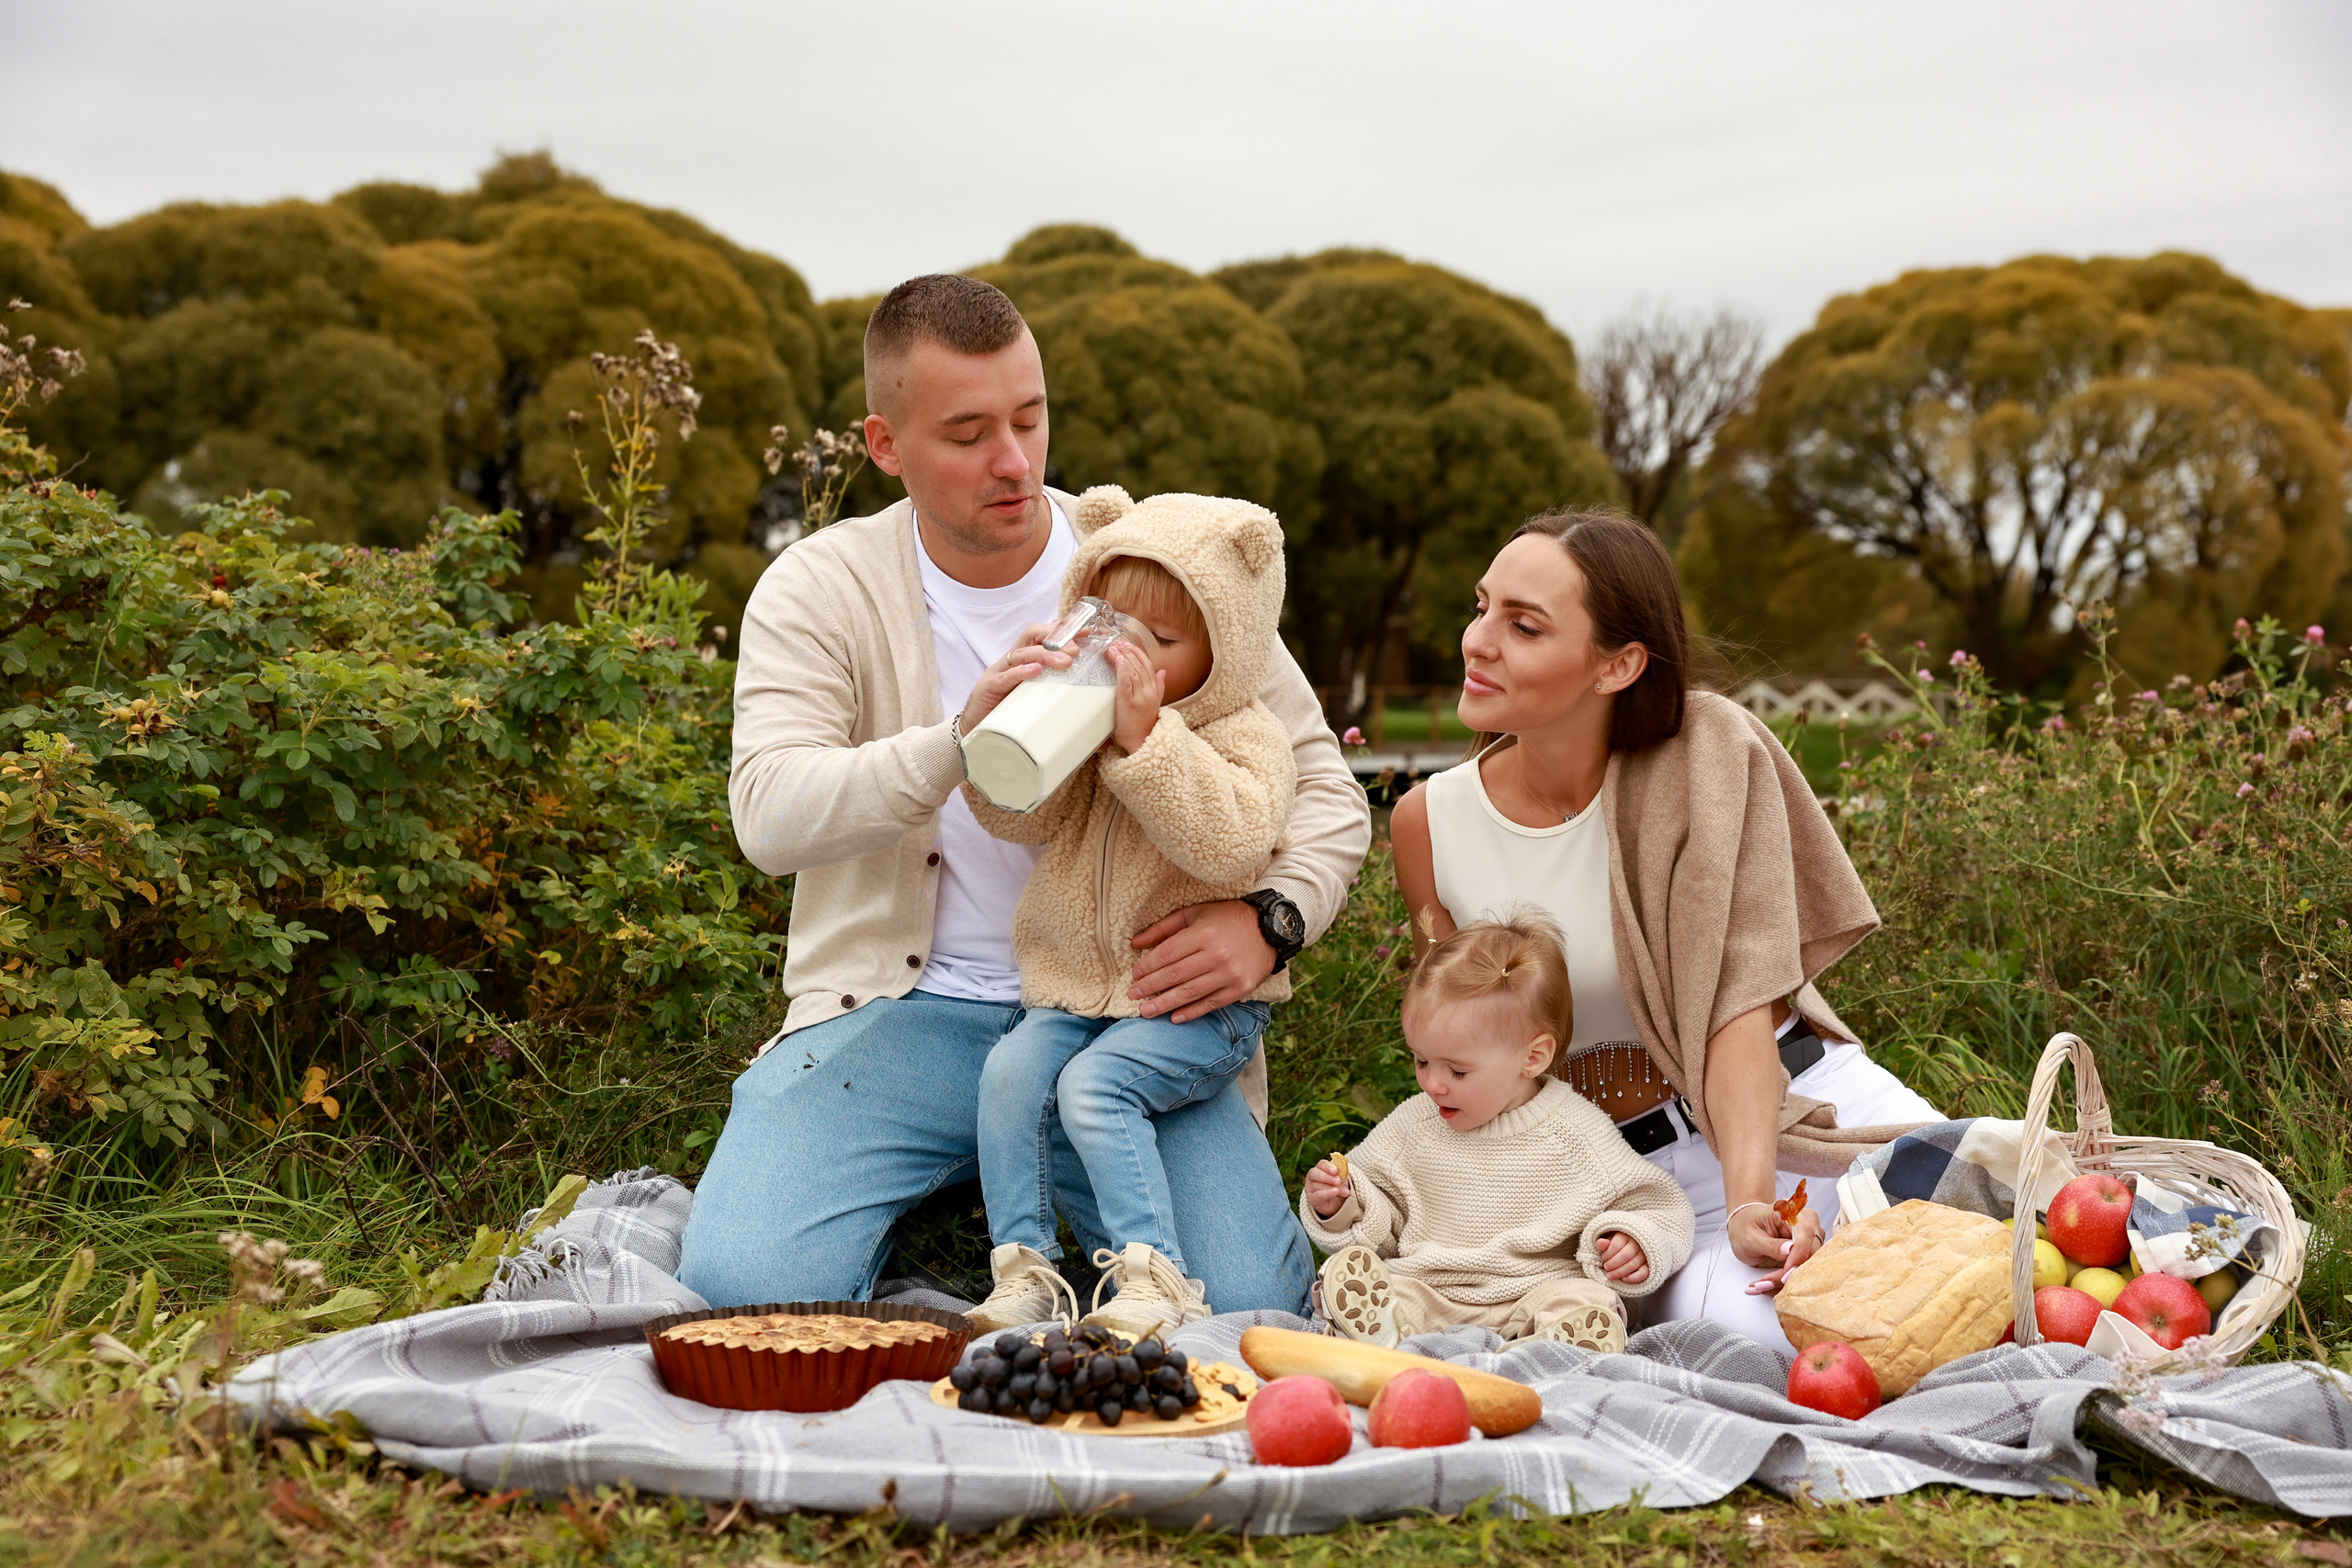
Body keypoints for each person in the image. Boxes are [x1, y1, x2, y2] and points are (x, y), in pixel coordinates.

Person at [678, 275, 1369, 1316]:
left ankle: (1031, 1230)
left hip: (1126, 1017)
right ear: (884, 443)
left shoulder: (1153, 565)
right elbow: (768, 815)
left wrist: (1272, 922)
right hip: (904, 1009)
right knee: (740, 1294)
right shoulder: (819, 584)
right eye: (965, 434)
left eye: (1029, 419)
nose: (1012, 460)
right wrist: (957, 745)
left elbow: (1324, 788)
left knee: (1246, 1310)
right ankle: (983, 1238)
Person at [1388, 508, 1939, 1354]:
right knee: (1751, 1339)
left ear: (1618, 663)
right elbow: (1462, 1044)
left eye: (1523, 624)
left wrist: (1758, 1196)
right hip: (1627, 1186)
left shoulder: (1708, 757)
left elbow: (1737, 1009)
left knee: (2016, 1216)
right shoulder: (1430, 822)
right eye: (1481, 606)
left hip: (1796, 1113)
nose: (1477, 641)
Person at [959, 487, 1296, 1336]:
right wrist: (1007, 727)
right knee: (1010, 1073)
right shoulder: (1084, 714)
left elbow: (1233, 845)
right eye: (1109, 622)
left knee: (1095, 1086)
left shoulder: (1245, 734)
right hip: (1076, 990)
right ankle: (1025, 1268)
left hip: (1194, 1008)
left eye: (1164, 640)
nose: (1127, 652)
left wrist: (1150, 745)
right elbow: (1014, 816)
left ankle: (1152, 1277)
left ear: (1229, 645)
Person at [1299, 913, 1694, 1353]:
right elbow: (1380, 1208)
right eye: (1421, 1060)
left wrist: (1634, 1240)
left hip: (1538, 1290)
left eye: (1457, 1070)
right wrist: (1341, 1202)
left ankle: (1558, 1346)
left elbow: (1661, 1206)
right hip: (1432, 1289)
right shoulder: (1415, 1123)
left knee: (1581, 1301)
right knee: (1381, 1283)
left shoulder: (1575, 1131)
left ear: (1533, 1058)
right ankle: (1384, 1325)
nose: (1431, 1083)